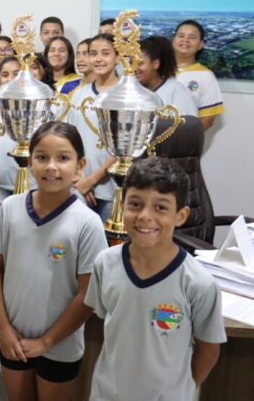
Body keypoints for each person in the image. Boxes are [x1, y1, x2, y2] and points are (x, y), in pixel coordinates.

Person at [85, 157, 225, 400]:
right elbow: (106, 324)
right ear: (122, 205)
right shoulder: (104, 263)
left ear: (181, 216)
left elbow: (209, 348)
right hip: (108, 393)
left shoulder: (199, 283)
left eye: (160, 207)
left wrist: (183, 387)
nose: (145, 216)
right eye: (135, 204)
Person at [0, 121, 107, 401]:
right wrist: (2, 328)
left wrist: (46, 341)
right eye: (42, 157)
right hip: (12, 337)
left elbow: (87, 293)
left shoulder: (87, 223)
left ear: (80, 166)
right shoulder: (11, 208)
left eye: (63, 158)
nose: (51, 166)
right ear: (30, 162)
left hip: (59, 344)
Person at [67, 34, 119, 220]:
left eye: (105, 53)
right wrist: (77, 178)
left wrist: (92, 180)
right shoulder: (79, 95)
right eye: (93, 53)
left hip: (113, 189)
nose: (98, 59)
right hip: (77, 185)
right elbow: (69, 139)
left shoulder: (126, 95)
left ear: (117, 57)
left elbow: (125, 149)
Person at [0, 56, 34, 204]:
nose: (11, 79)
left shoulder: (37, 105)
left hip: (32, 182)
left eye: (16, 74)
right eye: (5, 75)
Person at [172, 20, 224, 130]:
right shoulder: (156, 69)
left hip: (182, 142)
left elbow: (207, 120)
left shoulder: (205, 76)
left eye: (192, 37)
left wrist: (179, 139)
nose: (185, 40)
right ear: (174, 39)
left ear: (201, 44)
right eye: (181, 35)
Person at [136, 36, 198, 117]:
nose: (134, 68)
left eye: (140, 63)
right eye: (131, 63)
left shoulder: (176, 91)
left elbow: (188, 126)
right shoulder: (130, 91)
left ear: (155, 64)